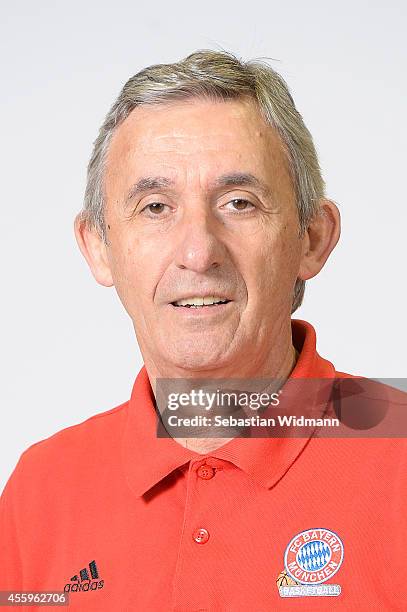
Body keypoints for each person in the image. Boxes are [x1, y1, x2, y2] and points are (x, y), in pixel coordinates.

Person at [0, 49, 405, 611]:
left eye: (239, 203)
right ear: (99, 247)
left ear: (312, 238)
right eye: (155, 206)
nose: (197, 251)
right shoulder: (41, 490)